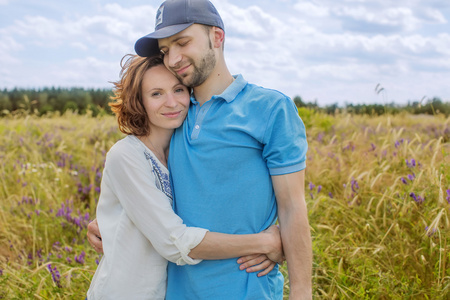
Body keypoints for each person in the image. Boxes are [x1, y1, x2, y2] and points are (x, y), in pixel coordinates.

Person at [89, 0, 312, 298]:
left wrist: (301, 290)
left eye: (182, 42)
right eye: (166, 50)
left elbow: (292, 207)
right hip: (176, 291)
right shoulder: (177, 115)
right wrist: (113, 222)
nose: (173, 58)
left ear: (217, 37)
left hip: (246, 288)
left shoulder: (271, 109)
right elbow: (151, 183)